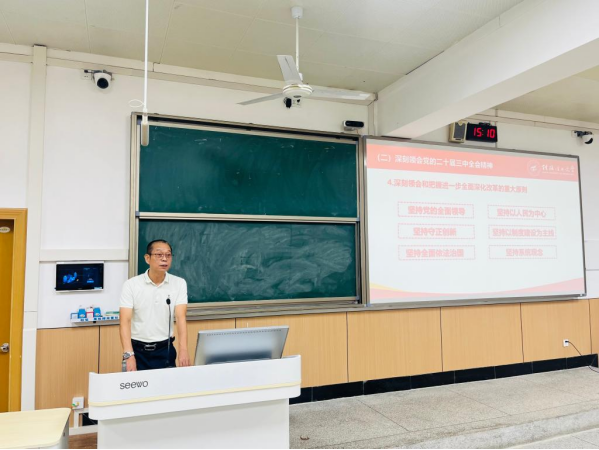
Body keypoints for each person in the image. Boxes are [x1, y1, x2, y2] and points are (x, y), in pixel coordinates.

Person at [119, 239, 190, 371]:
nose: (164, 259)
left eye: (168, 255)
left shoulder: (179, 283)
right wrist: (129, 355)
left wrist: (183, 350)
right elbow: (125, 321)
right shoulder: (131, 285)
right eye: (159, 255)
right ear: (147, 258)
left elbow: (181, 318)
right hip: (137, 350)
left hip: (165, 349)